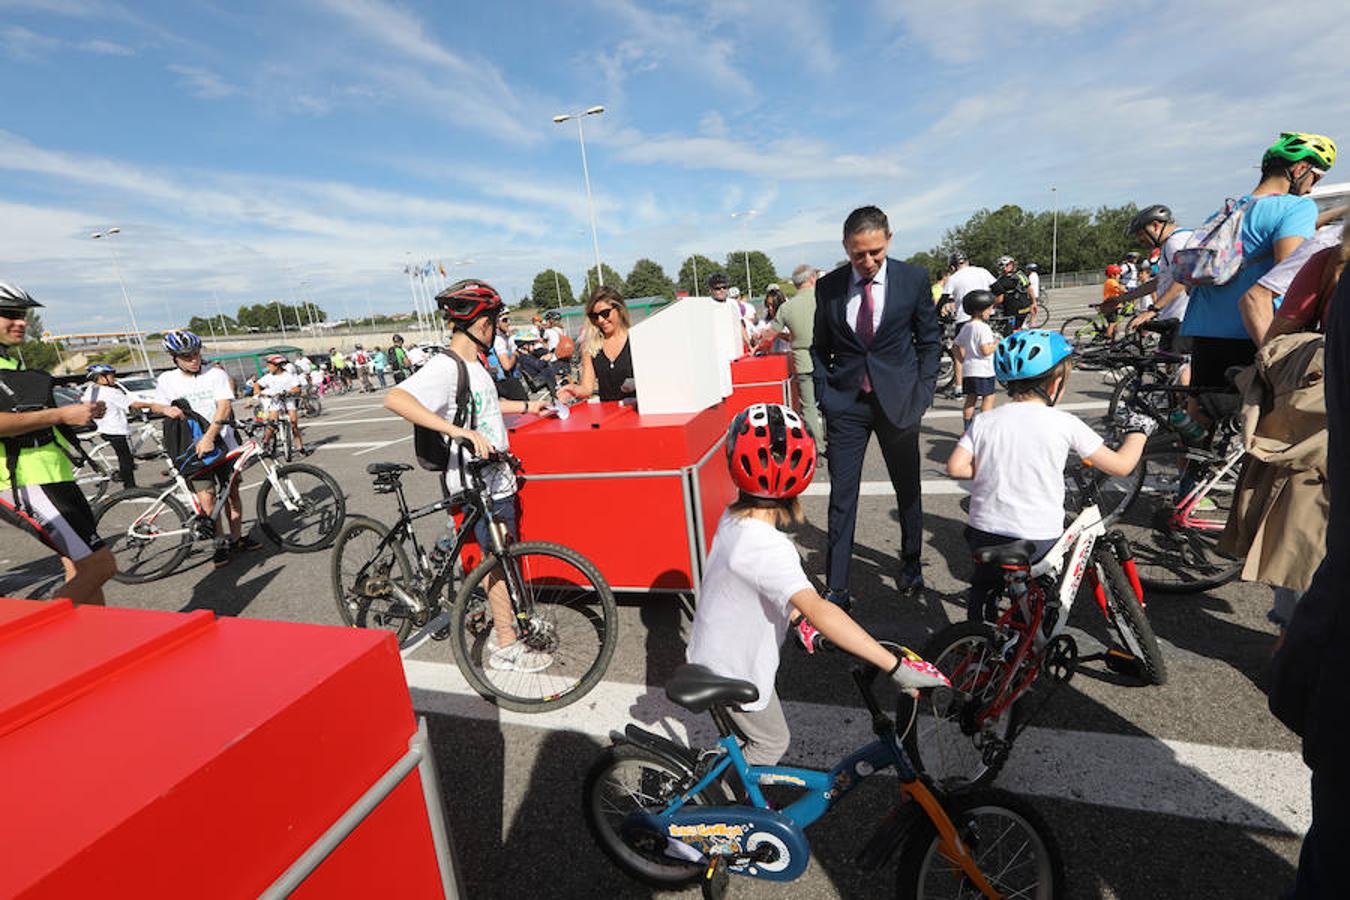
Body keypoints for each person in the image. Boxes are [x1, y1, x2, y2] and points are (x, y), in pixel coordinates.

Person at [686, 402, 948, 765]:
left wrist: (797, 619)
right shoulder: (769, 547)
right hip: (734, 668)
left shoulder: (734, 520)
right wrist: (893, 666)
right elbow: (822, 610)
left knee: (747, 741)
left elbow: (758, 587)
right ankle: (718, 810)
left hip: (714, 653)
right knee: (771, 742)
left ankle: (718, 784)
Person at [383, 279, 550, 672]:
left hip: (495, 475)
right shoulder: (446, 366)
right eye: (493, 320)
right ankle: (505, 644)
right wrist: (457, 432)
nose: (495, 327)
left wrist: (529, 405)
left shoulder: (475, 366)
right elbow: (395, 398)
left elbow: (485, 407)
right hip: (474, 480)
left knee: (499, 557)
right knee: (497, 560)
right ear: (479, 323)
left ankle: (506, 630)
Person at [946, 331, 1153, 621]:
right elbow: (1121, 466)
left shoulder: (984, 421)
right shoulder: (1064, 423)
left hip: (983, 530)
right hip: (1037, 535)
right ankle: (1026, 643)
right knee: (1036, 593)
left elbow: (955, 467)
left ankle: (979, 637)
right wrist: (1139, 431)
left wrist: (998, 465)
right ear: (1055, 384)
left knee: (984, 585)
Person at [811, 205, 941, 606]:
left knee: (908, 490)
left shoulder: (913, 279)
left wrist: (922, 395)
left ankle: (911, 565)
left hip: (899, 403)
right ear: (846, 248)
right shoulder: (828, 286)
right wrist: (824, 393)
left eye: (875, 253)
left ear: (888, 240)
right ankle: (837, 586)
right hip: (847, 405)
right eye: (857, 254)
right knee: (842, 495)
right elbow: (820, 346)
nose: (867, 262)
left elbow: (930, 341)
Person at [1182, 132, 1334, 397]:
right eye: (1316, 177)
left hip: (1204, 332)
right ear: (1299, 169)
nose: (1311, 188)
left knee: (1205, 421)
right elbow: (1292, 274)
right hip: (1254, 335)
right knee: (1262, 431)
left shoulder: (1226, 212)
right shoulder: (1296, 208)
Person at [0, 282, 116, 605]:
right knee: (100, 567)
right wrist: (62, 414)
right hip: (23, 481)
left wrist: (81, 413)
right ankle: (31, 640)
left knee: (80, 568)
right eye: (8, 314)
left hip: (55, 475)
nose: (21, 321)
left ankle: (91, 648)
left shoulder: (13, 365)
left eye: (22, 314)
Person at [147, 330, 260, 568]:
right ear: (174, 358)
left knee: (232, 495)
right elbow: (158, 405)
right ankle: (219, 544)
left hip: (224, 443)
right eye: (186, 356)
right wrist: (163, 409)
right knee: (207, 500)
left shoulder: (215, 374)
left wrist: (210, 436)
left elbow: (224, 407)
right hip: (193, 449)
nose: (194, 359)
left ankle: (237, 538)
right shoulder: (168, 380)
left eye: (196, 354)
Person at [758, 265, 824, 450]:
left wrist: (759, 344)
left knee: (809, 406)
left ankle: (817, 447)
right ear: (811, 278)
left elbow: (769, 336)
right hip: (828, 357)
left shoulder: (787, 307)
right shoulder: (824, 299)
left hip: (802, 359)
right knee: (831, 403)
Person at [1122, 204, 1193, 359]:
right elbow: (1160, 281)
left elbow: (1183, 279)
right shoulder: (1173, 242)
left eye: (1140, 234)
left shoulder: (1175, 243)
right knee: (1170, 368)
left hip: (1181, 320)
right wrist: (1122, 298)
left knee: (1183, 369)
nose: (1140, 240)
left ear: (1155, 225)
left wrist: (1152, 310)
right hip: (1176, 320)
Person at [556, 286, 634, 403]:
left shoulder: (636, 340)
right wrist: (573, 390)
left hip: (637, 413)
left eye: (605, 313)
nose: (600, 320)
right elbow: (587, 388)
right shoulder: (590, 346)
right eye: (594, 316)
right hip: (608, 416)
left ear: (619, 309)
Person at [81, 363, 151, 488]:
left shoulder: (92, 389)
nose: (114, 378)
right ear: (102, 378)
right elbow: (133, 404)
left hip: (103, 428)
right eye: (111, 376)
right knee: (126, 459)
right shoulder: (110, 391)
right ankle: (129, 487)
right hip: (114, 429)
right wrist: (154, 405)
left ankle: (125, 478)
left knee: (125, 457)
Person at [944, 251, 996, 399]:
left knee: (959, 355)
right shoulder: (982, 271)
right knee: (981, 352)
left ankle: (960, 388)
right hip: (984, 316)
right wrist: (991, 305)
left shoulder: (953, 278)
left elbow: (943, 300)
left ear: (953, 267)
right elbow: (998, 288)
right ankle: (981, 388)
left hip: (964, 318)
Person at [952, 291, 999, 431]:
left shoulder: (966, 326)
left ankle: (967, 429)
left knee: (970, 399)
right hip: (983, 370)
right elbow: (985, 350)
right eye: (989, 309)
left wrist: (962, 359)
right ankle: (983, 428)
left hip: (969, 369)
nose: (991, 312)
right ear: (980, 310)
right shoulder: (983, 328)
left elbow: (955, 346)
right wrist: (996, 344)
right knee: (989, 397)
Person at [251, 354, 307, 455]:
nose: (268, 367)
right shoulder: (268, 377)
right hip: (275, 402)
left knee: (294, 424)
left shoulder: (289, 376)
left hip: (288, 400)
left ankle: (300, 447)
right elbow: (257, 384)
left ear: (277, 365)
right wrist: (257, 391)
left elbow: (297, 388)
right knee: (272, 424)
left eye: (269, 365)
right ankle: (265, 442)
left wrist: (288, 392)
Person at [990, 254, 1033, 332]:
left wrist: (991, 306)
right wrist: (1034, 302)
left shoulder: (1000, 280)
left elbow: (1000, 299)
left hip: (1012, 310)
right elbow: (1029, 289)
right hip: (1026, 308)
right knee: (1021, 328)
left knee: (1010, 331)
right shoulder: (1020, 274)